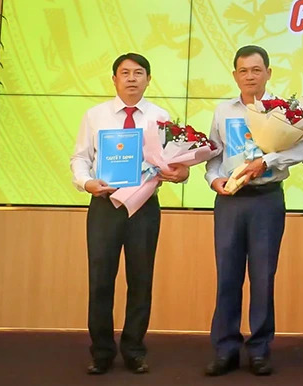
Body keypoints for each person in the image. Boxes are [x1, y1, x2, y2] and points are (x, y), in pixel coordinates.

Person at [69, 52, 187, 376]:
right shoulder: (95, 115)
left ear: (149, 79)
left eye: (138, 73)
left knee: (141, 279)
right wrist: (87, 182)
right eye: (125, 73)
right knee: (100, 280)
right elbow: (80, 158)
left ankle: (134, 350)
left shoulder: (161, 117)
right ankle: (101, 352)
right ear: (114, 79)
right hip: (105, 206)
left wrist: (181, 173)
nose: (132, 78)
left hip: (144, 207)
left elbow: (174, 162)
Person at [203, 45, 303, 377]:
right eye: (243, 71)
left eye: (256, 70)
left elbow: (302, 150)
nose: (250, 76)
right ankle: (225, 349)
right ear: (235, 75)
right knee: (227, 276)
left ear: (268, 73)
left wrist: (268, 161)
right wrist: (214, 180)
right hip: (230, 201)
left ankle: (260, 349)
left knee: (263, 277)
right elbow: (213, 157)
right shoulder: (223, 111)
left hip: (266, 199)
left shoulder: (284, 112)